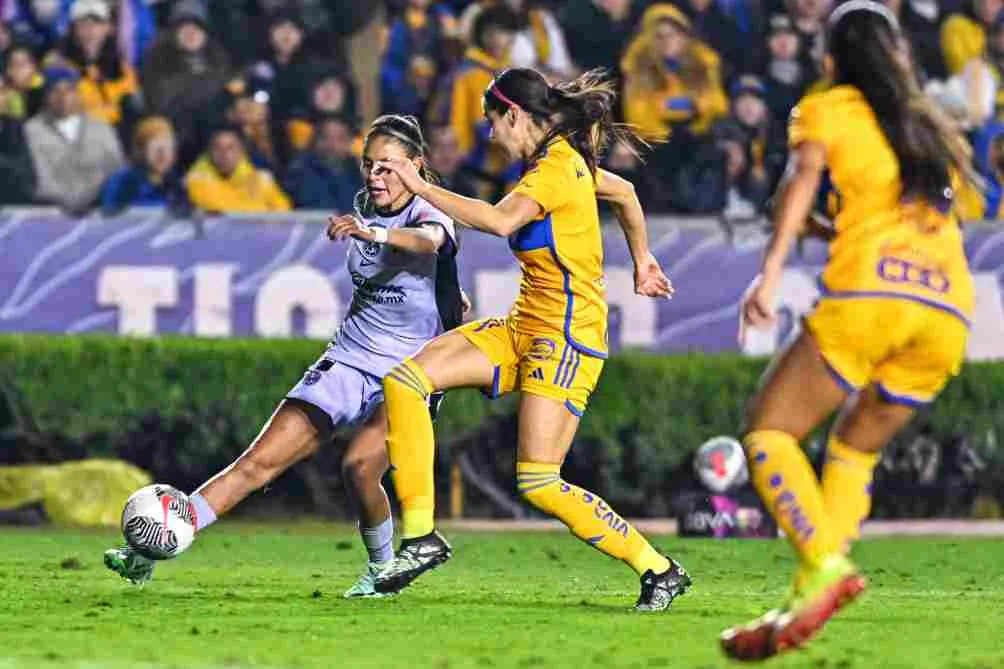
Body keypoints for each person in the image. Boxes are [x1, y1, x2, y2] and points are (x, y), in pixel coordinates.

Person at [104, 114, 467, 599]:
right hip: (349, 359)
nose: (375, 177)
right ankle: (151, 550)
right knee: (257, 463)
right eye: (369, 166)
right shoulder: (364, 206)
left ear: (416, 166)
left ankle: (384, 571)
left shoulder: (429, 212)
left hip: (412, 371)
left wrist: (372, 235)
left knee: (360, 467)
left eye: (388, 168)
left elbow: (428, 243)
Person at [370, 67, 690, 611]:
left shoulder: (556, 170)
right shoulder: (556, 164)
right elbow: (627, 194)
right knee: (405, 380)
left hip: (565, 339)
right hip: (524, 326)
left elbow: (498, 222)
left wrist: (422, 185)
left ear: (514, 115)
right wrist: (642, 261)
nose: (490, 136)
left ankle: (658, 568)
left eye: (492, 123)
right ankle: (421, 536)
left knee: (539, 479)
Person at [719, 2, 976, 660]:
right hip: (946, 312)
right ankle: (810, 587)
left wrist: (770, 273)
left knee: (770, 431)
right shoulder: (928, 126)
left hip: (870, 297)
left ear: (830, 58)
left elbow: (802, 180)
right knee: (854, 450)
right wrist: (836, 230)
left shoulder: (828, 105)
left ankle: (824, 564)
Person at [620, 3, 728, 142]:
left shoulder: (703, 63)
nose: (667, 41)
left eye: (672, 34)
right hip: (655, 141)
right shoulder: (638, 68)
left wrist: (697, 124)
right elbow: (636, 114)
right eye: (659, 36)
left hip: (700, 136)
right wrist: (666, 136)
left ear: (684, 36)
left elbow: (717, 105)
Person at [25, 65, 124, 212]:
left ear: (78, 93)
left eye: (69, 90)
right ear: (45, 96)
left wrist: (97, 201)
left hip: (99, 213)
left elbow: (117, 170)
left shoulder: (102, 129)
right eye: (55, 91)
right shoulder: (31, 131)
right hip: (51, 215)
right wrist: (71, 205)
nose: (63, 97)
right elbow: (38, 180)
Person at [53, 0, 139, 127]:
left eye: (97, 24)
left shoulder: (122, 68)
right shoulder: (59, 66)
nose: (90, 31)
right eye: (83, 24)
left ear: (108, 28)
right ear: (73, 29)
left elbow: (132, 106)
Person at [185, 126, 290, 214]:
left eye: (230, 148)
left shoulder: (261, 179)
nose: (223, 154)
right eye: (217, 148)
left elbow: (284, 211)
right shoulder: (196, 179)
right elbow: (218, 210)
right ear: (209, 152)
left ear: (241, 151)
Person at [100, 116, 187, 211]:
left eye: (168, 148)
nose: (163, 155)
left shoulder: (175, 183)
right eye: (156, 149)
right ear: (141, 150)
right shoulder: (122, 182)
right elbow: (110, 215)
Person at [284, 113, 364, 211]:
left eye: (340, 139)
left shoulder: (360, 174)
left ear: (350, 143)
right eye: (324, 137)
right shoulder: (298, 172)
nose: (331, 145)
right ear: (314, 140)